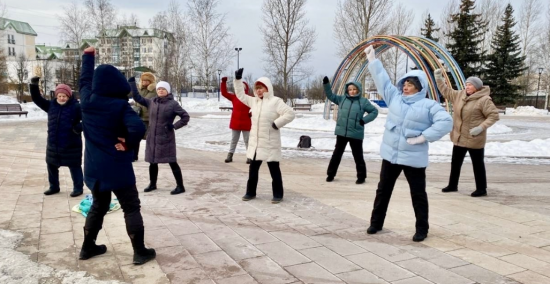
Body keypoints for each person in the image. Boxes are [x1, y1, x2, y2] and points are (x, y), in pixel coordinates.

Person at [364, 46, 452, 242]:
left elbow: (446, 122)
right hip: (391, 156)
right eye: (404, 83)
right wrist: (372, 60)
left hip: (413, 158)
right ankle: (376, 223)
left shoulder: (429, 105)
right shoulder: (395, 98)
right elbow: (382, 81)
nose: (405, 86)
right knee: (383, 190)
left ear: (419, 87)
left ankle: (422, 229)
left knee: (418, 194)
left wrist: (423, 137)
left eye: (410, 84)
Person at [78, 46, 156, 265]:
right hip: (118, 166)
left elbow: (84, 81)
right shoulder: (120, 105)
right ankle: (139, 251)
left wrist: (88, 57)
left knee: (98, 206)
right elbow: (138, 129)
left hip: (94, 168)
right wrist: (128, 144)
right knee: (131, 207)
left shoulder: (86, 100)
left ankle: (87, 247)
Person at [233, 68, 295, 204]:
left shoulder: (275, 101)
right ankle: (250, 192)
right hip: (256, 144)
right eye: (257, 88)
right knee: (253, 170)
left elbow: (290, 113)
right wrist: (237, 80)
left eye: (261, 88)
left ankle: (278, 194)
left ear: (267, 88)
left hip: (270, 143)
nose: (259, 91)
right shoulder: (254, 101)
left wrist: (276, 123)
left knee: (274, 171)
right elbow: (240, 95)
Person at [434, 69, 499, 197]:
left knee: (477, 164)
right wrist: (438, 78)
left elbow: (493, 116)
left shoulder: (484, 100)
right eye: (467, 84)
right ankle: (453, 185)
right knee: (455, 163)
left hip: (474, 137)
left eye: (470, 85)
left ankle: (481, 189)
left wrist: (481, 127)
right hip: (459, 136)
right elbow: (446, 91)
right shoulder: (460, 95)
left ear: (477, 87)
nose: (467, 87)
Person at [130, 80, 190, 195]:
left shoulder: (173, 104)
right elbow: (137, 98)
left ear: (167, 91)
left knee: (172, 161)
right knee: (152, 162)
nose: (160, 90)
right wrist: (132, 83)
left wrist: (173, 126)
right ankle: (152, 184)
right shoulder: (152, 102)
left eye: (163, 89)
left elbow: (185, 117)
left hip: (166, 137)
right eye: (158, 89)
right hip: (152, 136)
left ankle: (180, 186)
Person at [29, 78, 84, 197]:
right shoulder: (51, 106)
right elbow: (37, 99)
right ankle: (54, 186)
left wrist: (78, 128)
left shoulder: (76, 107)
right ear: (56, 96)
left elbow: (88, 119)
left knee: (74, 166)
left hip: (71, 143)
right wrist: (34, 85)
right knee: (51, 165)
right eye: (59, 95)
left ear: (69, 96)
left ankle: (78, 188)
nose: (62, 98)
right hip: (54, 143)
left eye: (64, 96)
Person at [322, 77, 378, 184]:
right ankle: (331, 174)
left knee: (358, 156)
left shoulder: (363, 102)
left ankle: (361, 177)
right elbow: (330, 95)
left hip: (356, 133)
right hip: (341, 132)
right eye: (350, 89)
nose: (352, 91)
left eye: (354, 89)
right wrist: (326, 84)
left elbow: (374, 112)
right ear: (347, 90)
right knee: (336, 154)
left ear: (358, 90)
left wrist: (364, 120)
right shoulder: (342, 99)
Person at [220, 76, 253, 164]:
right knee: (234, 140)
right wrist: (223, 82)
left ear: (246, 88)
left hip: (246, 123)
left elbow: (256, 108)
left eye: (243, 86)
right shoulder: (234, 97)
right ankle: (229, 156)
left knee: (248, 141)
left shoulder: (249, 98)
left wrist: (251, 113)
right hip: (236, 123)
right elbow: (224, 93)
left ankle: (249, 157)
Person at [133, 72, 157, 162]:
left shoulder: (154, 90)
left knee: (150, 138)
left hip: (149, 118)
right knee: (136, 137)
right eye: (143, 80)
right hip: (139, 117)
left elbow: (145, 100)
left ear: (151, 81)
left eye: (147, 80)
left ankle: (152, 156)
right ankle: (134, 155)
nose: (144, 82)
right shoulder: (139, 89)